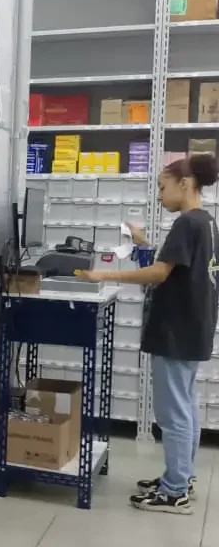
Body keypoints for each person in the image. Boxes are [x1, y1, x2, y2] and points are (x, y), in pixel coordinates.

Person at [78, 153, 219, 515]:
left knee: (173, 414)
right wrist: (142, 243)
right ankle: (181, 478)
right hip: (193, 328)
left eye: (162, 186)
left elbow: (159, 274)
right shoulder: (206, 222)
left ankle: (174, 492)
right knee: (184, 408)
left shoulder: (187, 223)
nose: (159, 195)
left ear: (184, 185)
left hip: (176, 330)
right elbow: (175, 270)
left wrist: (103, 276)